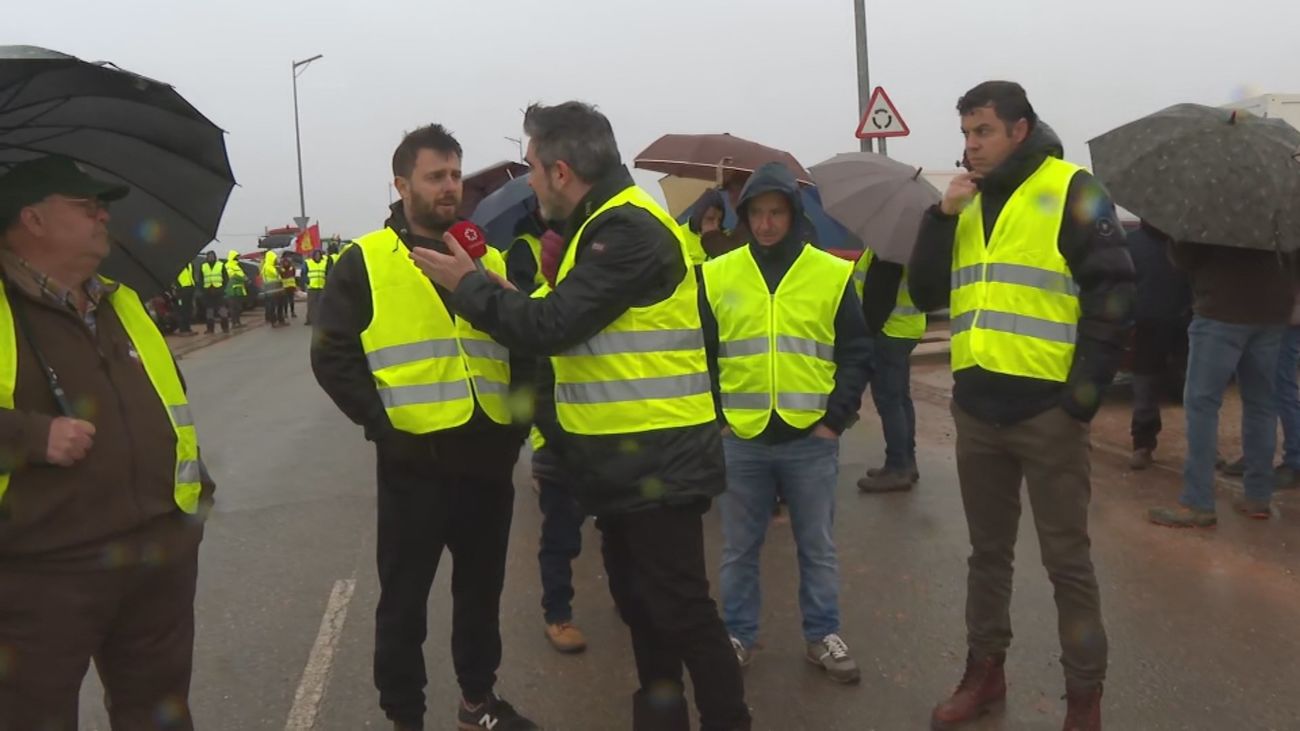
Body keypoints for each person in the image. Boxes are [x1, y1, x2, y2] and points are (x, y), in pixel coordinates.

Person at [411, 102, 751, 731]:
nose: (532, 183)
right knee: (644, 613)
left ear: (562, 171)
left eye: (535, 169)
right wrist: (512, 297)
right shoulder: (600, 228)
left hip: (660, 467)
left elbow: (552, 328)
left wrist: (470, 286)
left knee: (683, 615)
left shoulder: (628, 230)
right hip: (626, 468)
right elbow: (571, 322)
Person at [908, 81, 1134, 731]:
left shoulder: (1073, 188)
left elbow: (1114, 291)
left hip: (1047, 414)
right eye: (965, 133)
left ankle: (1084, 697)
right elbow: (924, 290)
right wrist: (939, 217)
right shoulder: (965, 201)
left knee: (1068, 561)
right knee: (987, 554)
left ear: (1019, 128)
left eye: (982, 131)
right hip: (978, 409)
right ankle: (985, 673)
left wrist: (1082, 399)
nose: (970, 145)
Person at [311, 124, 539, 731]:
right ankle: (405, 716)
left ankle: (477, 700)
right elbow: (331, 355)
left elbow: (522, 347)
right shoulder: (366, 259)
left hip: (487, 460)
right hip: (415, 464)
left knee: (480, 595)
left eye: (455, 175)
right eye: (436, 176)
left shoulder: (483, 256)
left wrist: (515, 427)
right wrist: (384, 426)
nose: (449, 188)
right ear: (401, 183)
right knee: (405, 604)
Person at [0, 155, 214, 730]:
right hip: (41, 571)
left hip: (154, 556)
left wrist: (188, 514)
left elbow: (171, 410)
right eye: (85, 204)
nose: (103, 215)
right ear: (33, 220)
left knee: (159, 716)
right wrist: (29, 434)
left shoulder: (119, 301)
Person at [698, 162, 873, 684]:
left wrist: (835, 420)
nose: (767, 223)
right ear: (744, 216)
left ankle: (822, 636)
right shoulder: (718, 273)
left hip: (810, 438)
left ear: (793, 215)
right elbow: (701, 355)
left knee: (816, 546)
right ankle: (737, 635)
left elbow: (857, 350)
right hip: (742, 438)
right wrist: (720, 420)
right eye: (758, 213)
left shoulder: (829, 273)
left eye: (776, 212)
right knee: (739, 548)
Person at [1147, 238, 1295, 526]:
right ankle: (1257, 496)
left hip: (1220, 310)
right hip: (1273, 312)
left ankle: (1198, 502)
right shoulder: (1280, 201)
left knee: (1202, 406)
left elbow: (1184, 257)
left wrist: (1175, 241)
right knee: (1261, 405)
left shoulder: (1217, 205)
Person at [854, 246, 926, 492]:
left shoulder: (890, 252)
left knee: (889, 400)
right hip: (904, 329)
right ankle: (907, 461)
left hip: (888, 331)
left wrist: (865, 333)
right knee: (901, 398)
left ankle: (897, 468)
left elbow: (878, 298)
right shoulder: (908, 245)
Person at [1125, 221, 1190, 470]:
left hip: (1186, 323)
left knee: (1196, 393)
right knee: (1145, 388)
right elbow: (1124, 283)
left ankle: (1205, 448)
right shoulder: (1133, 243)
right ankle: (1142, 444)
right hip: (1148, 325)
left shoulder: (1185, 243)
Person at [199, 249, 228, 334]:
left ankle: (225, 328)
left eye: (212, 256)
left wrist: (222, 288)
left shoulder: (220, 265)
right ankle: (210, 329)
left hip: (218, 290)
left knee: (222, 310)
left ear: (215, 257)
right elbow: (201, 279)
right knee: (209, 311)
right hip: (208, 291)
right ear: (207, 257)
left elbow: (225, 277)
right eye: (209, 256)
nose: (210, 258)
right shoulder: (203, 266)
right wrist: (203, 289)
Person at [304, 248, 330, 326]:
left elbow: (327, 273)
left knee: (322, 305)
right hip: (312, 287)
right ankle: (309, 320)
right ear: (313, 255)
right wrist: (307, 281)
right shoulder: (308, 263)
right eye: (316, 255)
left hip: (322, 286)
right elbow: (304, 273)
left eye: (319, 255)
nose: (317, 256)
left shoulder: (324, 263)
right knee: (311, 305)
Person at [261, 248, 283, 327]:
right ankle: (274, 321)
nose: (276, 260)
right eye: (275, 259)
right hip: (272, 289)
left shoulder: (266, 266)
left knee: (276, 306)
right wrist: (278, 268)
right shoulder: (269, 267)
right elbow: (278, 274)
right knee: (273, 306)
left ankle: (277, 320)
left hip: (274, 289)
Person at [225, 249, 247, 329]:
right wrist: (243, 278)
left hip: (239, 289)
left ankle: (238, 322)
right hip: (232, 290)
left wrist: (244, 278)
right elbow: (232, 276)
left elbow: (241, 275)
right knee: (233, 308)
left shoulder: (236, 266)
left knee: (238, 307)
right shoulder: (228, 265)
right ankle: (234, 323)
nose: (238, 258)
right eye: (236, 257)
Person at [175, 258, 197, 335]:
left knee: (188, 310)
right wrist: (177, 288)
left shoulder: (190, 265)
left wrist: (194, 286)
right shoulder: (177, 265)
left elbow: (192, 276)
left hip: (189, 289)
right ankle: (182, 329)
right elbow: (174, 278)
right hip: (181, 291)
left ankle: (188, 328)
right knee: (182, 310)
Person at [278, 251, 298, 323]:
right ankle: (286, 313)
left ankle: (292, 312)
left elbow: (294, 275)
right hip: (285, 286)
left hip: (291, 286)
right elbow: (280, 275)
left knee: (291, 300)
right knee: (285, 301)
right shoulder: (282, 266)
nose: (288, 258)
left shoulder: (291, 266)